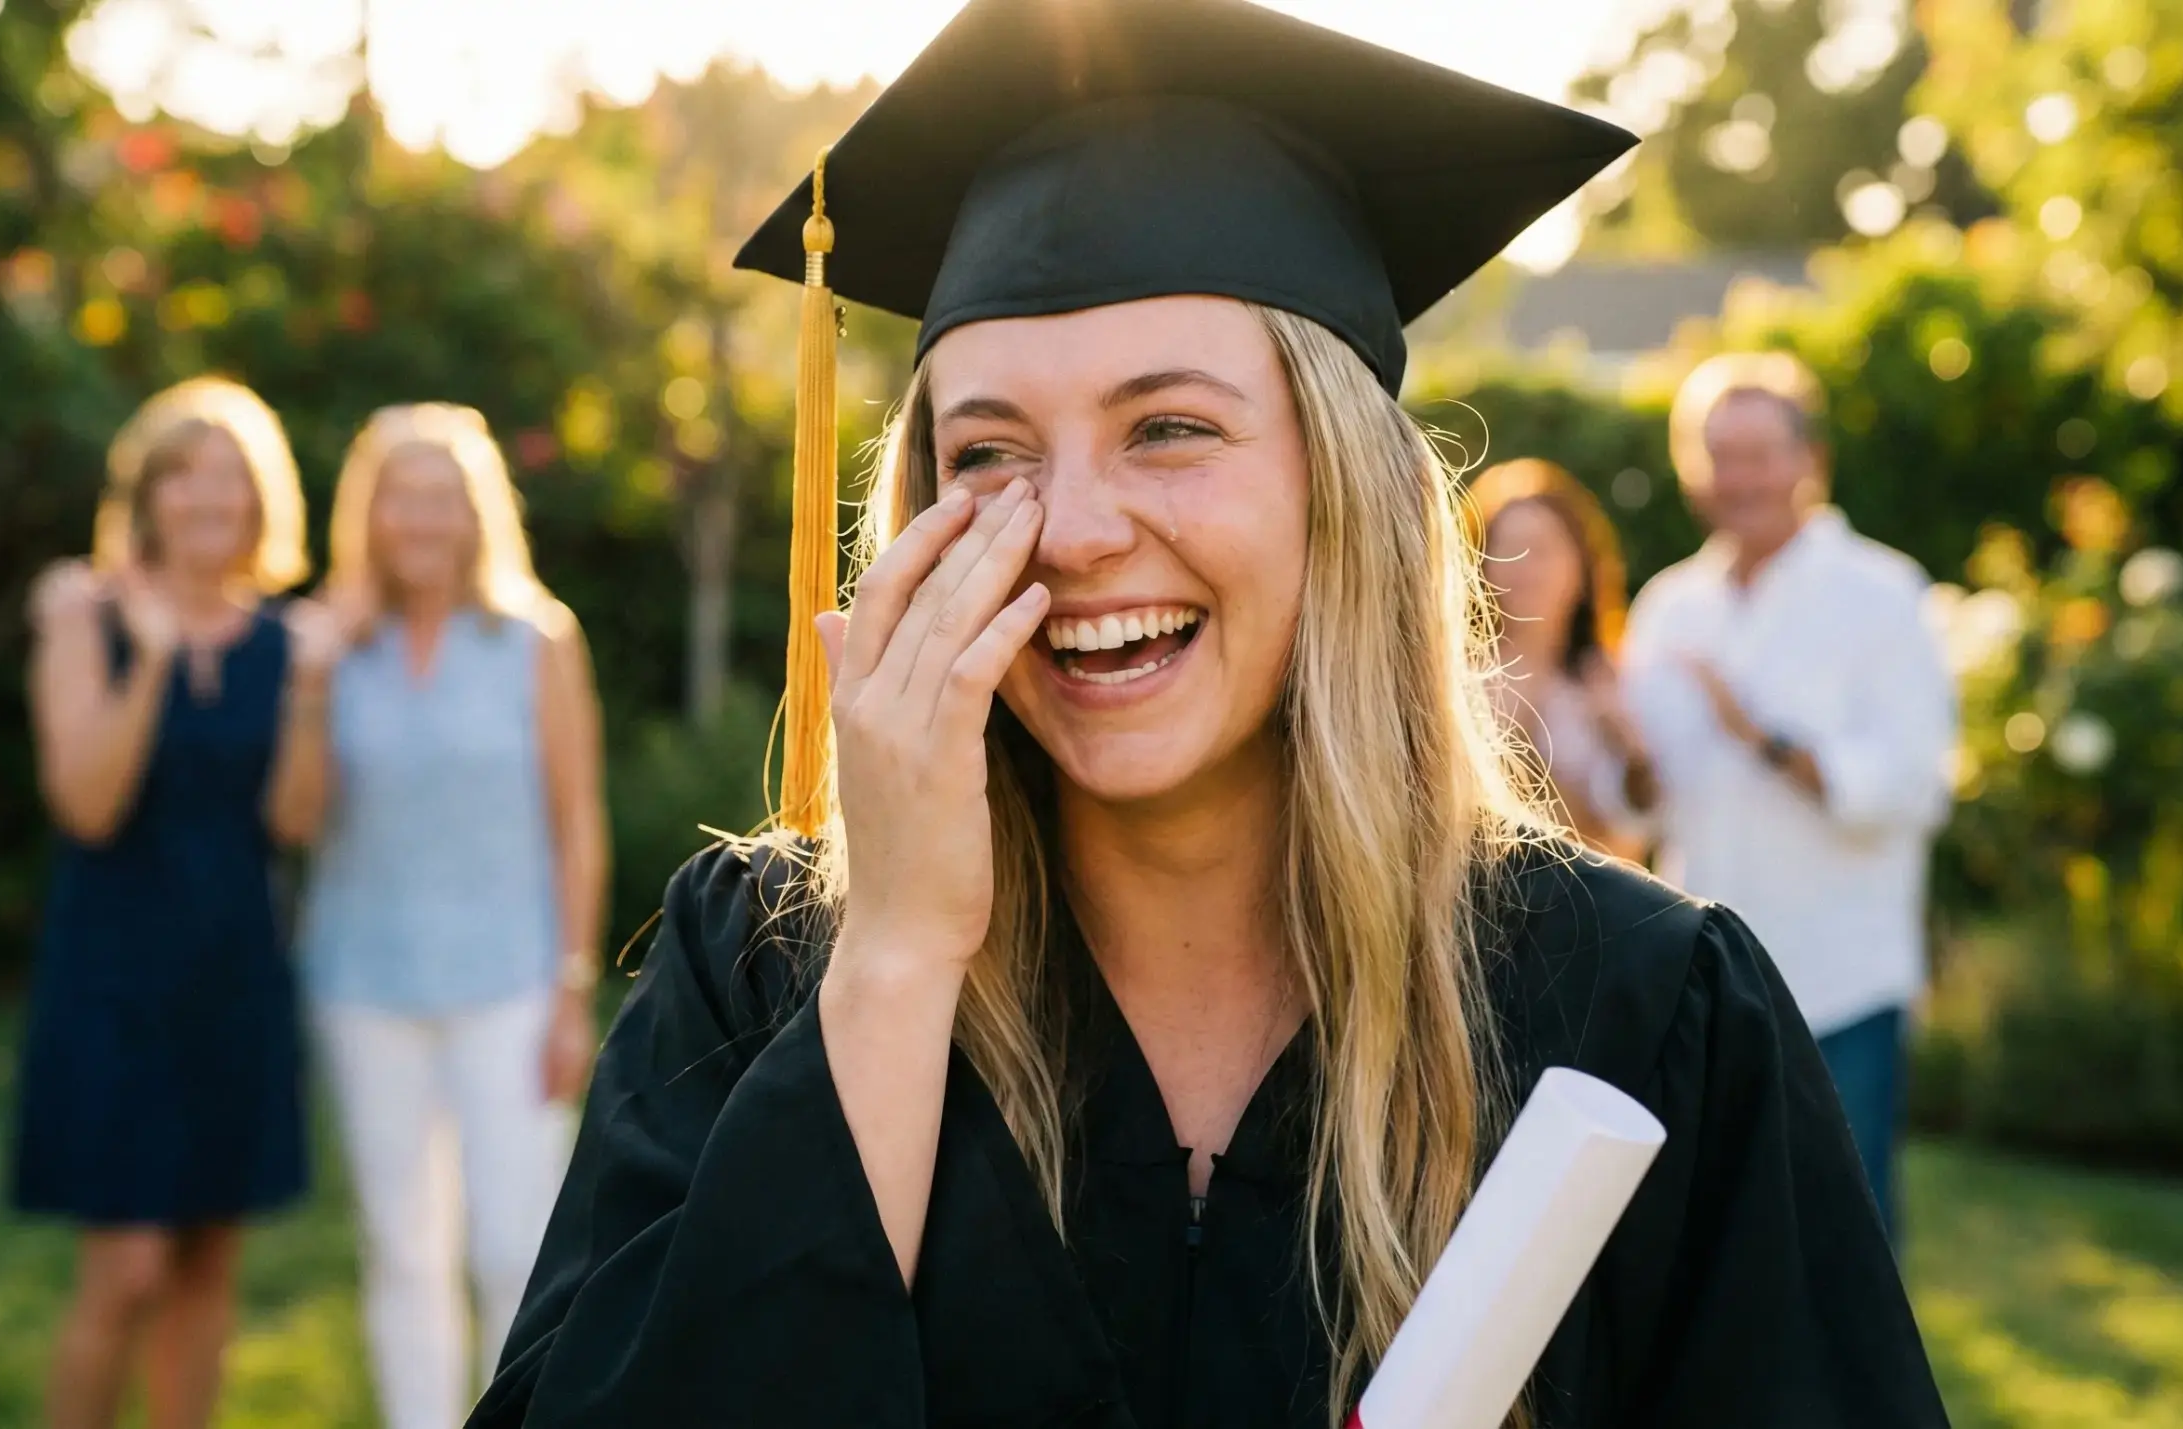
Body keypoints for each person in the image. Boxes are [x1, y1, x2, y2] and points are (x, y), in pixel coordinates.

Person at [476, 1, 1950, 1425]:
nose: (1068, 530)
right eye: (988, 451)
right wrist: (900, 958)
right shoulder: (761, 976)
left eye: (1169, 427)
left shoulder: (1632, 1013)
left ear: (1344, 487)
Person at [11, 376, 346, 1429]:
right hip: (113, 975)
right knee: (127, 1268)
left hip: (234, 970)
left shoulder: (284, 641)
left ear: (262, 501)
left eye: (231, 479)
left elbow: (293, 823)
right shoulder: (83, 615)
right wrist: (152, 658)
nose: (210, 499)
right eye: (185, 477)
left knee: (207, 1264)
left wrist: (309, 692)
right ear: (147, 495)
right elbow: (88, 804)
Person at [285, 404, 608, 1429]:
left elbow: (576, 821)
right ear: (368, 514)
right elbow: (293, 821)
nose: (420, 519)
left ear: (475, 512)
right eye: (400, 497)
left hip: (508, 980)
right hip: (362, 984)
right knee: (402, 1247)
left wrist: (570, 987)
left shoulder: (533, 637)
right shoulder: (335, 642)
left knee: (515, 1244)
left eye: (441, 496)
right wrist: (308, 679)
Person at [1621, 350, 1958, 1238]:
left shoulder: (1883, 594)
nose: (1740, 478)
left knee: (1844, 1232)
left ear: (1810, 460)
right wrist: (1630, 764)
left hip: (1838, 980)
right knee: (1720, 1234)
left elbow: (1909, 787)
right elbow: (1646, 812)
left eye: (1759, 453)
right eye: (1717, 455)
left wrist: (1759, 734)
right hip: (1705, 978)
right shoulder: (1669, 606)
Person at [1468, 459, 1660, 862]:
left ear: (1582, 564)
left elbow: (1634, 840)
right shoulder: (1454, 683)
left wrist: (1627, 745)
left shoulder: (1612, 681)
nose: (1525, 569)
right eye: (1508, 548)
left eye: (1542, 550)